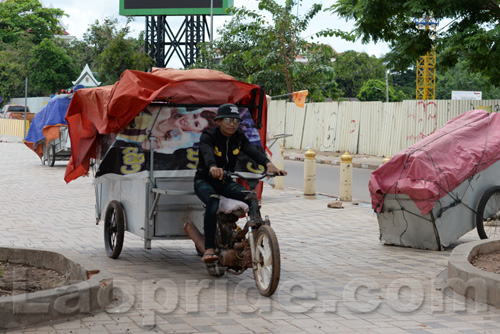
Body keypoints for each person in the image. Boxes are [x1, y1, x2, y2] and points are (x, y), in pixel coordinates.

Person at [194, 103, 287, 263]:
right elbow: (207, 153)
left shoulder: (239, 138)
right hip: (205, 180)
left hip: (225, 181)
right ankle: (209, 247)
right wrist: (213, 167)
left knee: (251, 198)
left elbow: (252, 150)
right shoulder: (209, 136)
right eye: (228, 120)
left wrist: (268, 163)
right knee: (213, 200)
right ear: (219, 121)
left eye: (236, 121)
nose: (232, 124)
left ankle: (256, 238)